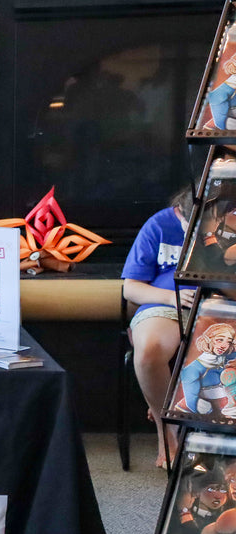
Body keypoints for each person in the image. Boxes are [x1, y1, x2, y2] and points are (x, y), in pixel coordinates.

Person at [122, 186, 196, 467]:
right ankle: (167, 429)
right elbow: (131, 288)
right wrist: (170, 297)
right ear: (180, 213)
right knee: (149, 350)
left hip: (222, 307)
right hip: (166, 305)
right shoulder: (159, 225)